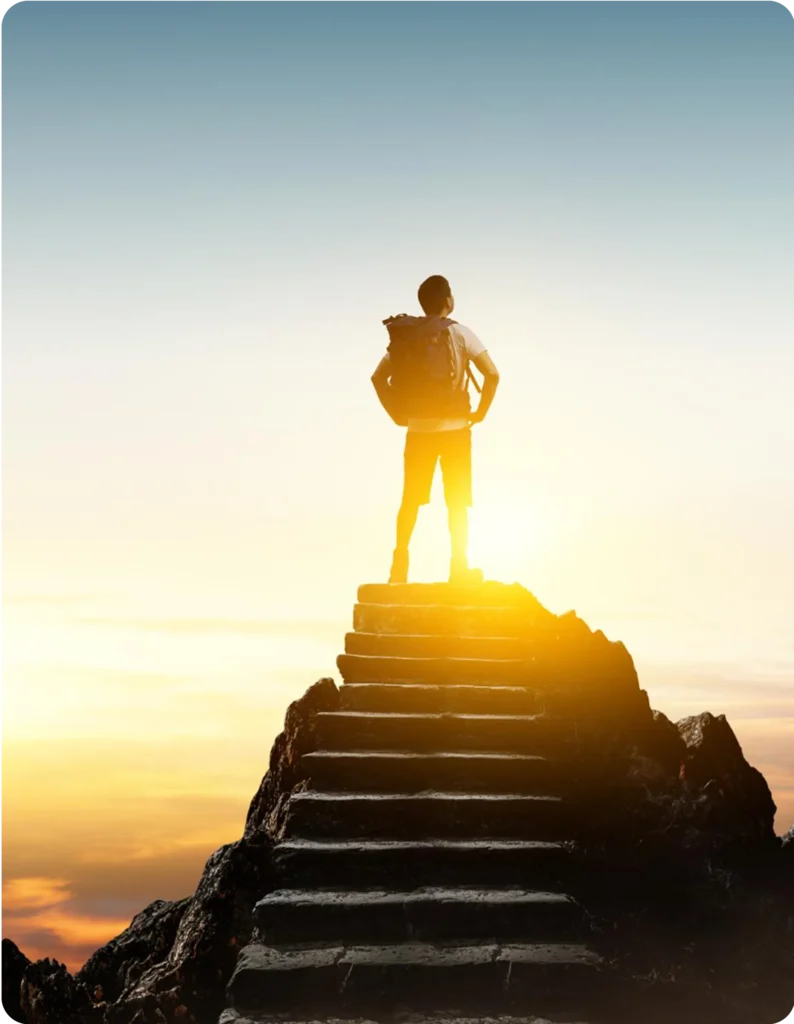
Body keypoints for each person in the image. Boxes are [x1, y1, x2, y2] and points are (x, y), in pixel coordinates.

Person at [371, 274, 500, 584]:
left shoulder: (406, 337)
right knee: (456, 501)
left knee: (410, 500)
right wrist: (479, 413)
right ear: (447, 302)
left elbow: (377, 378)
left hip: (417, 431)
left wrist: (398, 415)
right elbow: (492, 375)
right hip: (456, 429)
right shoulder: (460, 333)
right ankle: (459, 569)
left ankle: (398, 568)